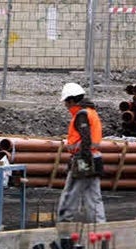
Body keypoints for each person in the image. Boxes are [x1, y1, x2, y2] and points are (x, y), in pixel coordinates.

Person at [57, 82, 106, 223]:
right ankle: (100, 227)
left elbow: (86, 138)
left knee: (71, 193)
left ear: (71, 100)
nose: (65, 105)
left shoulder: (81, 115)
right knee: (93, 196)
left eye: (66, 102)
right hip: (94, 158)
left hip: (84, 159)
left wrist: (82, 161)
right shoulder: (91, 112)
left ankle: (64, 224)